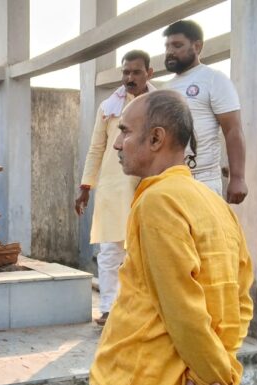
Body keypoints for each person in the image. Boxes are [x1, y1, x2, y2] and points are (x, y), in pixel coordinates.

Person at [87, 90, 255, 385]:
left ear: (156, 138)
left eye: (125, 131)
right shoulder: (216, 205)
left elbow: (183, 311)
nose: (117, 144)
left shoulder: (157, 202)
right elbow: (240, 304)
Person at [75, 50, 155, 326]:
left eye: (136, 72)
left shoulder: (159, 104)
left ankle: (141, 311)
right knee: (110, 251)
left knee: (145, 251)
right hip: (113, 185)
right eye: (125, 72)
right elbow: (96, 147)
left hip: (149, 185)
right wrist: (86, 186)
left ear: (149, 73)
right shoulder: (108, 107)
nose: (129, 78)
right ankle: (109, 308)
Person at [162, 20, 249, 204]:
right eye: (167, 46)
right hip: (169, 179)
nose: (170, 51)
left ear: (197, 46)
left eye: (177, 45)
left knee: (205, 233)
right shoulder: (165, 88)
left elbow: (233, 130)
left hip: (203, 179)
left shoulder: (213, 79)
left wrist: (238, 178)